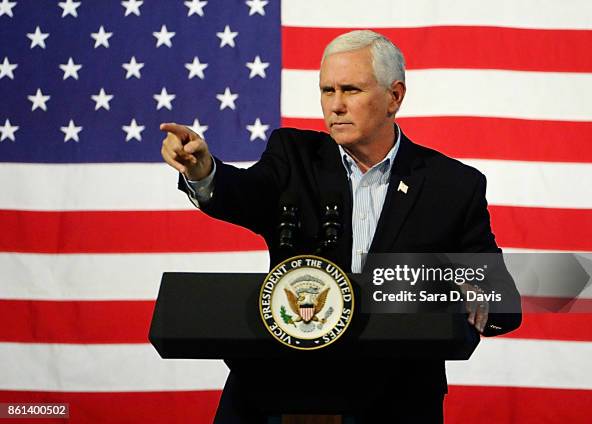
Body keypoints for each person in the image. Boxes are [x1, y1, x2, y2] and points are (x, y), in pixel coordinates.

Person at [161, 30, 521, 424]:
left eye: (350, 90)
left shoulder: (451, 185)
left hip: (396, 401)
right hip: (280, 390)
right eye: (326, 90)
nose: (335, 106)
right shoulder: (293, 156)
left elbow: (501, 300)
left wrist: (471, 292)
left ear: (394, 97)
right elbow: (243, 193)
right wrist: (204, 172)